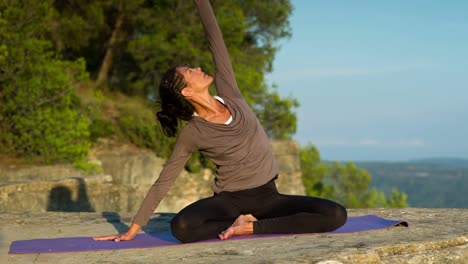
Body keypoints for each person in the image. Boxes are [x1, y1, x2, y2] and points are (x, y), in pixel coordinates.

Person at [93, 0, 347, 243]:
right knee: (180, 227)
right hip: (229, 202)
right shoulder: (193, 132)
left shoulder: (230, 92)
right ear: (187, 92)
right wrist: (133, 229)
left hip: (269, 197)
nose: (197, 68)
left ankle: (251, 227)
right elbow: (165, 180)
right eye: (190, 72)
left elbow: (214, 36)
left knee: (336, 214)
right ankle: (239, 222)